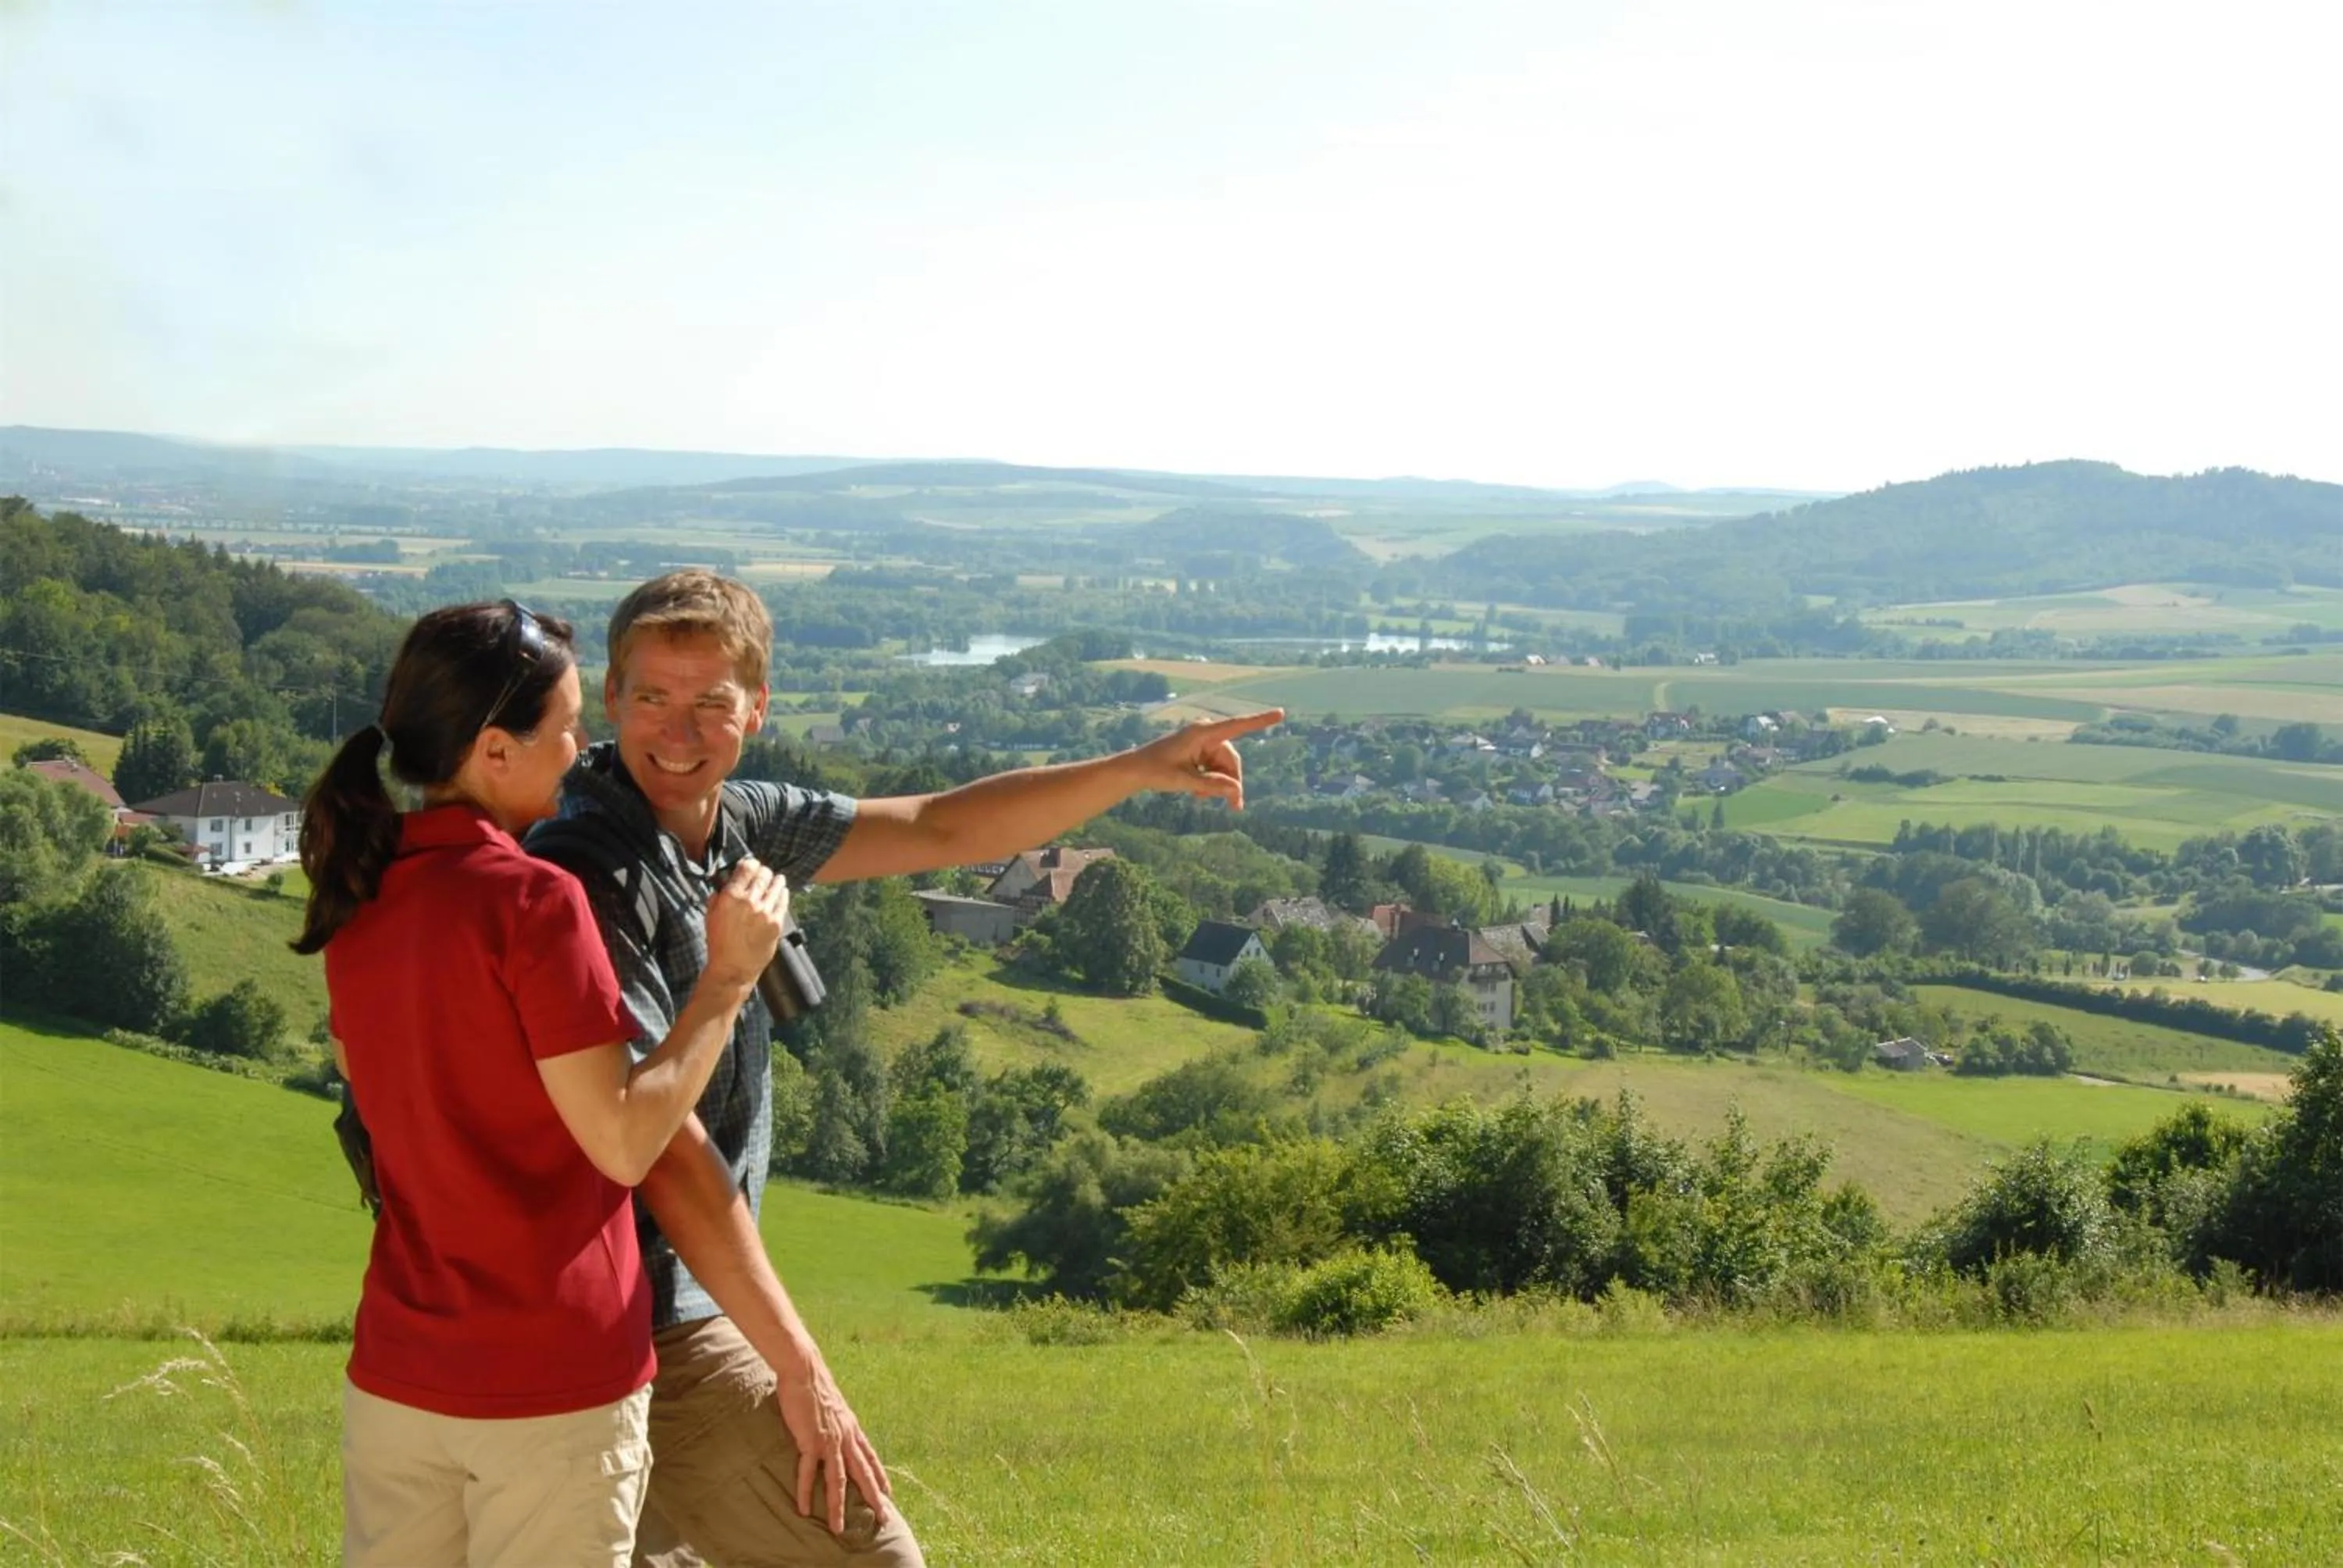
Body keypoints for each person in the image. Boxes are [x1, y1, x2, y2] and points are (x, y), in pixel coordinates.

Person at [530, 570, 1283, 1568]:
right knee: (875, 1557)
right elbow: (667, 1155)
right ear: (612, 697)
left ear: (757, 708)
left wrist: (1140, 766)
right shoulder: (590, 871)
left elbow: (939, 826)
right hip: (652, 1316)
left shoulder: (736, 822)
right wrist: (801, 1366)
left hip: (657, 1312)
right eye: (653, 697)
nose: (679, 731)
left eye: (711, 700)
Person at [296, 600, 792, 1567]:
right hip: (550, 1380)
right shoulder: (534, 898)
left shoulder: (361, 890)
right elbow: (624, 1140)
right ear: (495, 749)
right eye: (566, 728)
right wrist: (729, 978)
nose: (580, 752)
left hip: (400, 1372)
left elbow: (382, 1088)